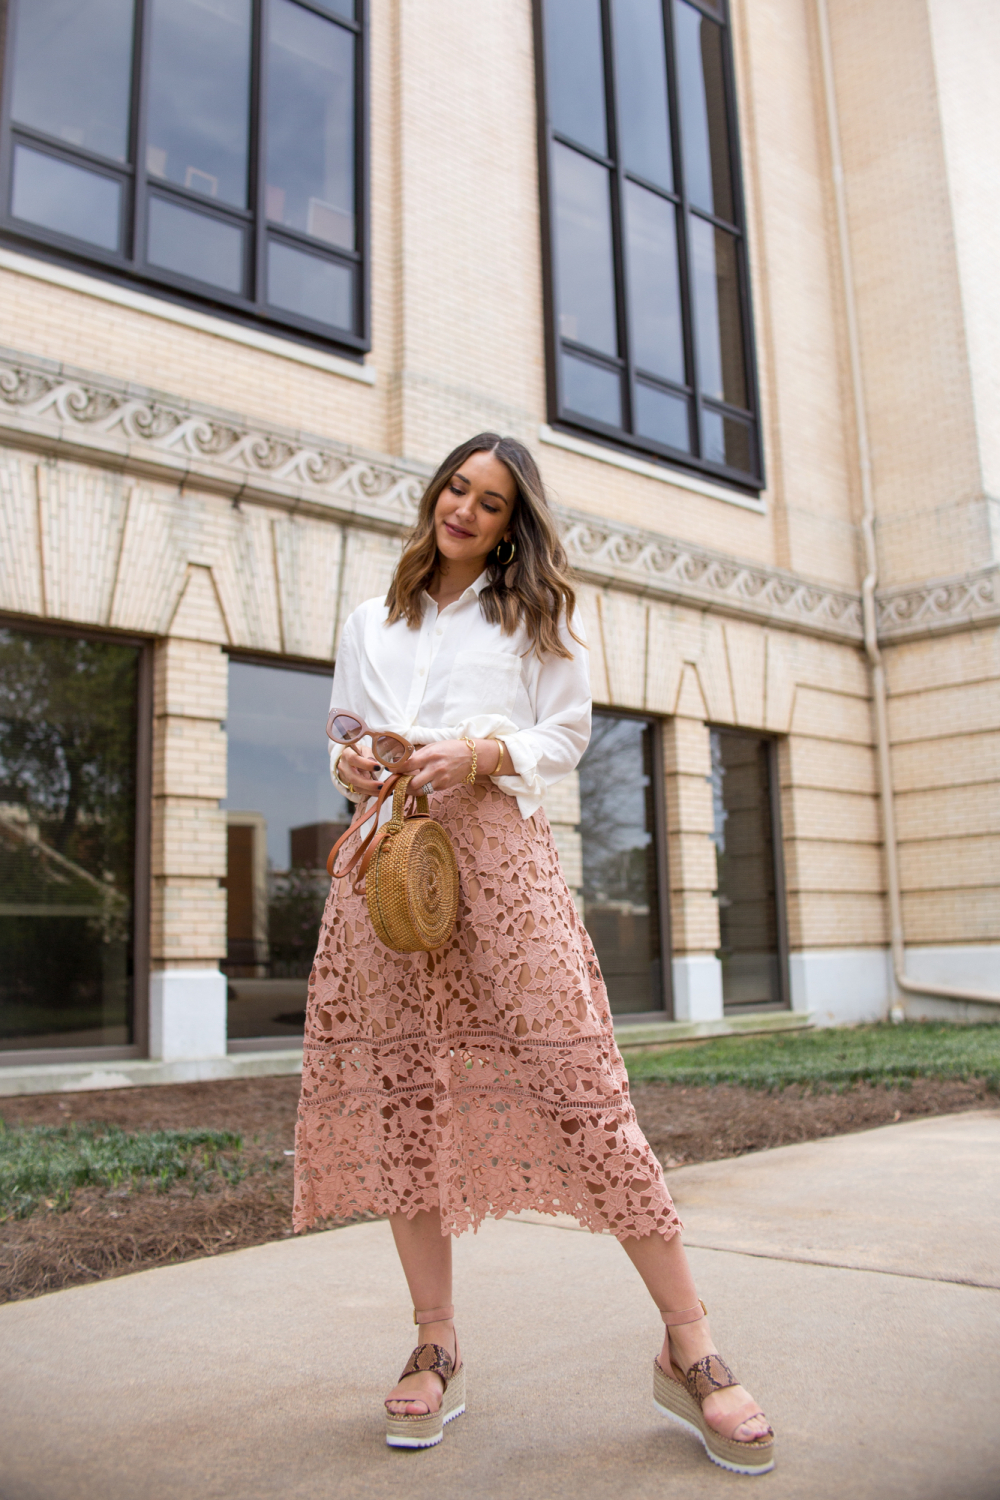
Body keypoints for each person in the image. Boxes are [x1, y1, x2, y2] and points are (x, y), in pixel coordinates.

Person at [293, 434, 775, 1475]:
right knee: (405, 1097)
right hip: (389, 869)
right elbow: (342, 730)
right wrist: (350, 757)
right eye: (457, 488)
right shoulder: (370, 619)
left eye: (492, 502)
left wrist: (480, 751)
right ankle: (436, 1343)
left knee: (583, 1089)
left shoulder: (536, 617)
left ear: (515, 525)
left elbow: (568, 733)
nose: (464, 510)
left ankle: (687, 1341)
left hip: (501, 863)